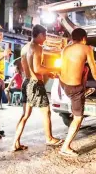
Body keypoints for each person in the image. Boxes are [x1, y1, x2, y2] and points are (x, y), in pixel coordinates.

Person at [12, 24, 63, 152]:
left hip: (26, 82)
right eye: (45, 35)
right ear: (40, 35)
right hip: (35, 84)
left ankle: (15, 143)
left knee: (25, 115)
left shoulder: (24, 48)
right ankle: (49, 138)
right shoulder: (37, 47)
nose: (45, 38)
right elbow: (37, 68)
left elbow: (30, 69)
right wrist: (55, 68)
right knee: (46, 112)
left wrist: (47, 73)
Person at [59, 28, 96, 157]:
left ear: (72, 38)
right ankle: (65, 147)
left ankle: (83, 91)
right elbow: (94, 70)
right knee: (78, 118)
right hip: (75, 89)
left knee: (84, 69)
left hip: (64, 84)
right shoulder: (86, 48)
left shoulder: (65, 49)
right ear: (84, 38)